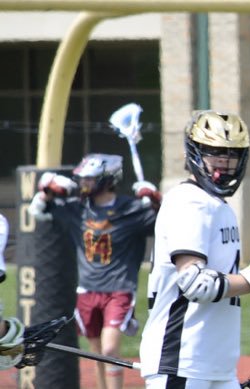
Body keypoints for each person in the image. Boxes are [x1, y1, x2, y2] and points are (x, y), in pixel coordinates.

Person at [138, 110, 250, 389]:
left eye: (232, 155)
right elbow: (196, 283)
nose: (224, 163)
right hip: (182, 359)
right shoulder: (190, 202)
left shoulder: (215, 204)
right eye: (215, 153)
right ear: (194, 154)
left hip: (214, 364)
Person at [26, 153, 161, 389]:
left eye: (90, 179)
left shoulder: (131, 209)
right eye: (83, 179)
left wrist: (156, 199)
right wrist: (47, 189)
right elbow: (38, 210)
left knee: (110, 349)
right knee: (97, 353)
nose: (84, 183)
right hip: (87, 291)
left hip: (119, 290)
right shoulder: (77, 209)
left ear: (108, 179)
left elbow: (166, 220)